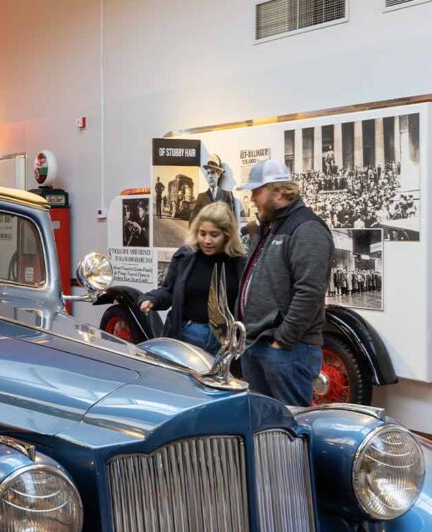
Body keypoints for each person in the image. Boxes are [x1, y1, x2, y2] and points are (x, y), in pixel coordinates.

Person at [236, 159, 333, 406]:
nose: (253, 198)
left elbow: (310, 292)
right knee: (265, 427)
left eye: (257, 191)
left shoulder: (307, 228)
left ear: (278, 192)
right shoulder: (270, 226)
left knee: (290, 430)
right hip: (259, 345)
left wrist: (283, 340)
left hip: (287, 350)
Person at [138, 202, 247, 354]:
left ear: (227, 234)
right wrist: (151, 299)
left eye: (214, 235)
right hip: (188, 336)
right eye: (202, 233)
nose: (207, 240)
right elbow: (168, 290)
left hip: (225, 341)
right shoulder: (185, 256)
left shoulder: (239, 262)